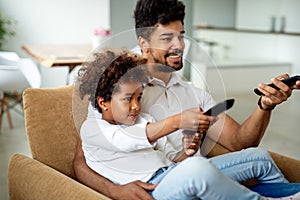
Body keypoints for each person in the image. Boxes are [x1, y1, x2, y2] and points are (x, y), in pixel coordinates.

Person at [73, 0, 300, 199]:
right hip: (167, 182)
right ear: (144, 44)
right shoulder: (122, 86)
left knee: (260, 158)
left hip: (181, 172)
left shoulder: (192, 93)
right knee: (197, 170)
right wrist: (115, 192)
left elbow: (239, 143)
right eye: (167, 38)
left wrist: (265, 106)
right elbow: (81, 160)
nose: (179, 45)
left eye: (181, 36)